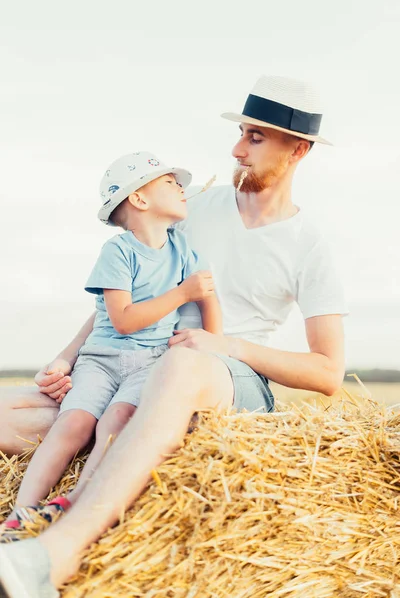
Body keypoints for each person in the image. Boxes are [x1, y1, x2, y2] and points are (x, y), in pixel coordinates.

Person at [0, 75, 347, 597]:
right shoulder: (195, 208)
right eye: (242, 134)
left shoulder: (311, 243)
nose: (237, 149)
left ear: (298, 149)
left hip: (228, 379)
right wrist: (68, 358)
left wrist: (224, 345)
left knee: (181, 366)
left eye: (255, 137)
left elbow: (328, 372)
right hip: (139, 367)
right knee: (11, 409)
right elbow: (132, 292)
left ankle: (54, 555)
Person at [2, 151, 222, 534]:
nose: (182, 189)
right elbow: (122, 319)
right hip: (102, 358)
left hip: (152, 360)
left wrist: (212, 345)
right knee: (74, 423)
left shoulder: (185, 252)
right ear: (139, 199)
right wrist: (182, 293)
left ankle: (75, 502)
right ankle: (22, 511)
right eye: (171, 183)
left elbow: (208, 303)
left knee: (117, 422)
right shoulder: (118, 251)